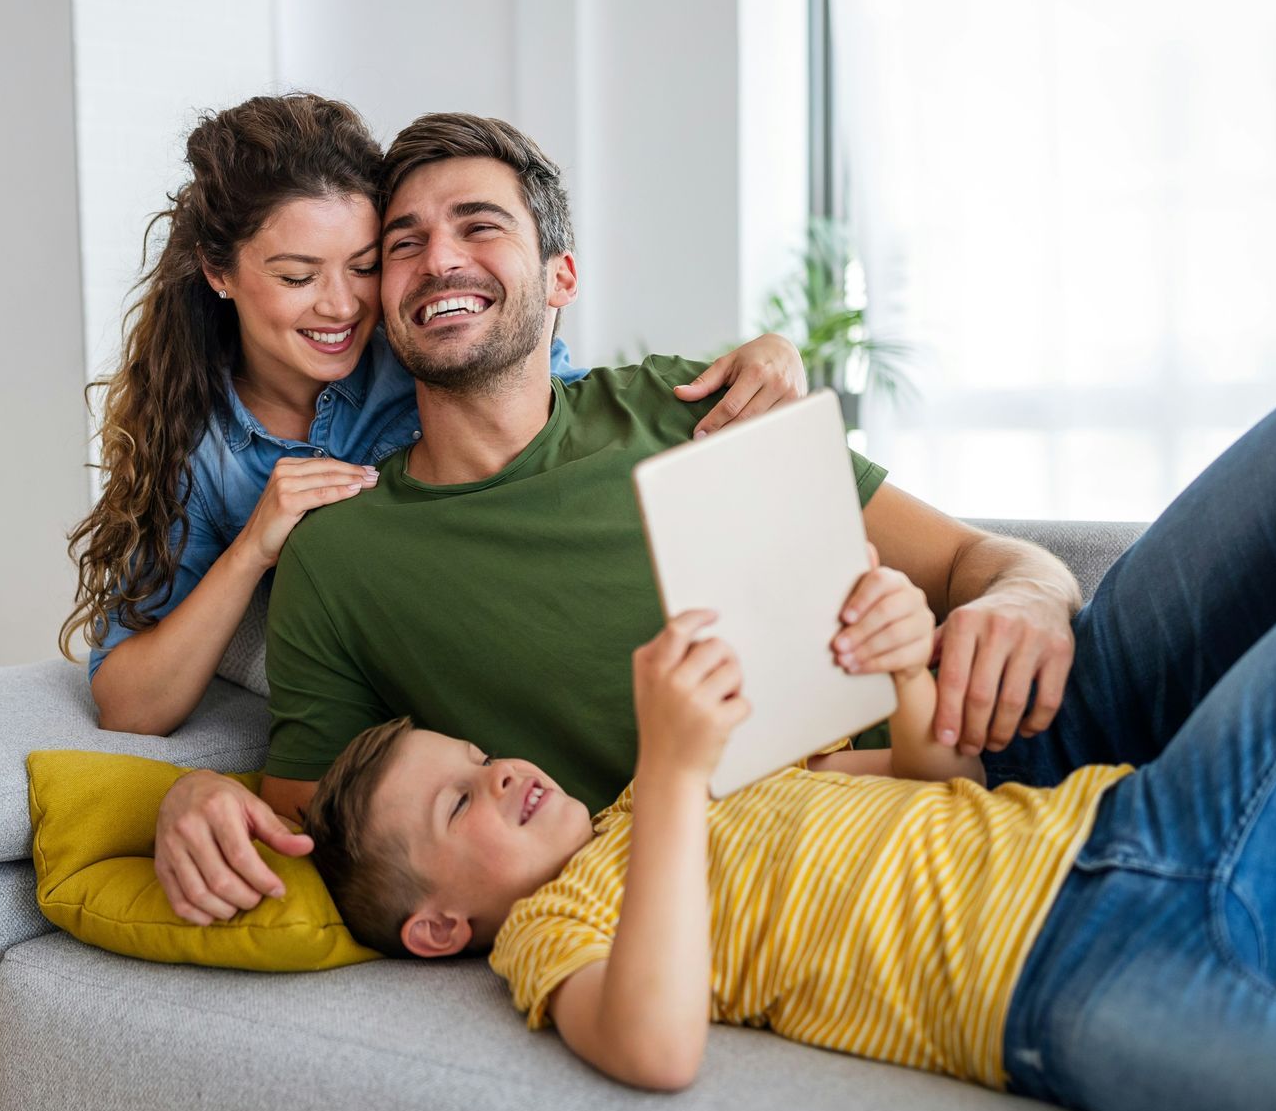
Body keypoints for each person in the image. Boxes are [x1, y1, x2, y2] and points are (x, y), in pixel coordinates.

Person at [152, 111, 1106, 925]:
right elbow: (328, 825)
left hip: (1012, 728)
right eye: (403, 244)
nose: (439, 257)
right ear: (384, 298)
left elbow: (983, 560)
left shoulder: (685, 404)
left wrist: (1026, 599)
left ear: (560, 278)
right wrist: (185, 795)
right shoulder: (341, 550)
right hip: (836, 858)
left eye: (479, 226)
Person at [299, 556, 1276, 1111]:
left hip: (1135, 820)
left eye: (477, 757)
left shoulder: (715, 776)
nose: (501, 774)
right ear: (437, 927)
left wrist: (903, 673)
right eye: (457, 801)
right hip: (1068, 985)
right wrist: (664, 772)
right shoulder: (549, 932)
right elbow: (656, 1050)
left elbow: (948, 783)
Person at [62, 93, 809, 737]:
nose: (341, 305)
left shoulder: (421, 346)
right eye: (297, 276)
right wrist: (255, 544)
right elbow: (128, 703)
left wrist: (771, 354)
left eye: (363, 266)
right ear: (219, 273)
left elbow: (567, 410)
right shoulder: (201, 444)